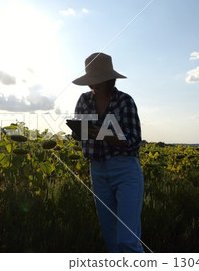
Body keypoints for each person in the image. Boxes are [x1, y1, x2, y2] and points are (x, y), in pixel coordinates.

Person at [72, 52, 145, 253]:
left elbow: (133, 140)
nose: (93, 85)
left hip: (125, 169)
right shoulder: (84, 101)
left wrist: (104, 134)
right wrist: (79, 132)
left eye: (98, 81)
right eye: (91, 81)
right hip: (97, 170)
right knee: (111, 239)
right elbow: (81, 134)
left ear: (109, 79)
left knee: (127, 240)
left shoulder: (124, 101)